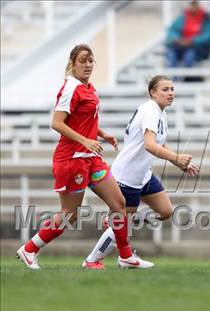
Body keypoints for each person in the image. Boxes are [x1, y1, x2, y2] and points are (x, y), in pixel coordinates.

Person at [16, 44, 143, 270]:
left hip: (90, 157)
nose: (87, 65)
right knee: (69, 215)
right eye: (82, 60)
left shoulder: (89, 87)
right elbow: (56, 123)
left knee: (119, 203)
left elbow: (83, 121)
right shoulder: (71, 88)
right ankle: (29, 249)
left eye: (91, 60)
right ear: (73, 63)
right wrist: (85, 140)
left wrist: (102, 134)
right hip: (71, 158)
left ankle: (125, 256)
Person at [82, 75, 200, 269]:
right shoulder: (150, 111)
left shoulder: (159, 113)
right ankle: (92, 260)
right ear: (152, 92)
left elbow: (159, 143)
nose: (170, 93)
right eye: (165, 89)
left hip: (143, 174)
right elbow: (149, 146)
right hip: (127, 176)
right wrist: (177, 158)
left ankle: (117, 225)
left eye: (172, 89)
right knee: (121, 224)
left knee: (165, 211)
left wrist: (177, 162)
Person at [166, 0, 210, 70]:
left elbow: (209, 35)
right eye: (192, 4)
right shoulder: (182, 17)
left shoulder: (206, 18)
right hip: (180, 45)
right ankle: (173, 78)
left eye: (195, 4)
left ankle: (187, 77)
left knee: (189, 56)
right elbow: (172, 30)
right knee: (171, 55)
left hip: (196, 47)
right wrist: (178, 39)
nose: (193, 6)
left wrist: (192, 41)